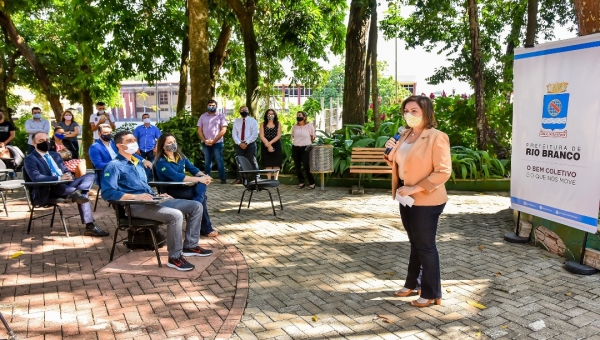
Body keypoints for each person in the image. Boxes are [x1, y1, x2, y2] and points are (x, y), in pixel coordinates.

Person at [101, 131, 213, 271]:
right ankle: (175, 257)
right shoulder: (114, 166)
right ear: (119, 145)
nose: (134, 142)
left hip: (153, 200)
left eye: (134, 139)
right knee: (175, 215)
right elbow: (107, 193)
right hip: (136, 206)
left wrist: (158, 195)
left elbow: (147, 185)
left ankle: (190, 246)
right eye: (129, 141)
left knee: (196, 206)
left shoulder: (138, 163)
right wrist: (135, 197)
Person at [383, 95, 451, 308]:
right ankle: (413, 283)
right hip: (406, 197)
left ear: (426, 113)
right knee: (415, 244)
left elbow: (443, 172)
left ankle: (432, 292)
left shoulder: (436, 137)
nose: (409, 115)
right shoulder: (405, 135)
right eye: (406, 111)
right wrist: (389, 151)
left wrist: (415, 187)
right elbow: (396, 161)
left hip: (427, 198)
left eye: (415, 111)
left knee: (426, 246)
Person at [23, 132, 109, 237]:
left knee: (90, 175)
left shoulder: (55, 155)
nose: (45, 143)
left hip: (66, 185)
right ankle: (89, 226)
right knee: (83, 195)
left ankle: (75, 193)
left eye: (47, 140)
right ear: (34, 143)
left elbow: (65, 170)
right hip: (49, 189)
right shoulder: (30, 159)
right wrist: (58, 178)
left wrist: (68, 175)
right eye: (41, 141)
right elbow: (36, 178)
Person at [154, 133, 219, 237]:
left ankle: (197, 203)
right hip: (171, 190)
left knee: (201, 186)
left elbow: (194, 170)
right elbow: (177, 177)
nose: (173, 144)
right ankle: (206, 228)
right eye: (169, 142)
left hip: (184, 188)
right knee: (202, 196)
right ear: (163, 145)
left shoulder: (180, 156)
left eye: (174, 142)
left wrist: (204, 176)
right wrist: (200, 179)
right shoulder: (161, 162)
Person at [89, 124, 153, 170]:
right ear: (99, 134)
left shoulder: (115, 143)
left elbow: (129, 153)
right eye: (105, 132)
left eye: (110, 132)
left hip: (124, 169)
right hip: (109, 173)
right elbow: (98, 165)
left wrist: (143, 160)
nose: (109, 134)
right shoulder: (95, 147)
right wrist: (117, 165)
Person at [197, 99, 228, 184]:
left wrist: (214, 141)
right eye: (210, 105)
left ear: (216, 106)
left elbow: (223, 130)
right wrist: (204, 140)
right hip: (205, 143)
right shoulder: (202, 116)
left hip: (217, 143)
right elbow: (199, 129)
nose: (211, 107)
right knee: (207, 160)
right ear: (207, 106)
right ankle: (207, 178)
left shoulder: (221, 116)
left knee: (219, 160)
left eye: (213, 105)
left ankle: (223, 178)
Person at [232, 106, 259, 184]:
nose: (243, 111)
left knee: (252, 161)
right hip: (239, 144)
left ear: (248, 111)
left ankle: (256, 178)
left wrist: (246, 143)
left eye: (245, 110)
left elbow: (254, 134)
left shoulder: (253, 121)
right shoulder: (236, 121)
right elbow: (234, 133)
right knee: (239, 161)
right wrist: (239, 143)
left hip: (250, 144)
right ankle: (240, 178)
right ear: (239, 111)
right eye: (242, 110)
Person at [291, 111, 316, 189]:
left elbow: (313, 137)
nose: (298, 116)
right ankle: (301, 182)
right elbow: (292, 136)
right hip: (296, 147)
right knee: (297, 165)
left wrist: (308, 143)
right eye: (297, 115)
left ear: (304, 117)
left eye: (300, 115)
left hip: (306, 148)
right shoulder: (294, 126)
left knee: (306, 165)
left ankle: (312, 183)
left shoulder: (309, 126)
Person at [259, 109, 282, 180]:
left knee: (276, 163)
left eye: (272, 114)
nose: (270, 115)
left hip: (276, 144)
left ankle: (275, 180)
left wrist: (270, 143)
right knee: (267, 163)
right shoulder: (263, 124)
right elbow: (262, 136)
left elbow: (278, 135)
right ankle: (268, 179)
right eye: (269, 114)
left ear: (275, 115)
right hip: (265, 144)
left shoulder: (278, 124)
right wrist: (268, 145)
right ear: (266, 115)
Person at [0, 109, 17, 179]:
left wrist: (4, 143)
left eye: (1, 114)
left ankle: (11, 175)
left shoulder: (8, 124)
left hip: (7, 146)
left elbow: (12, 135)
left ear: (3, 115)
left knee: (8, 161)